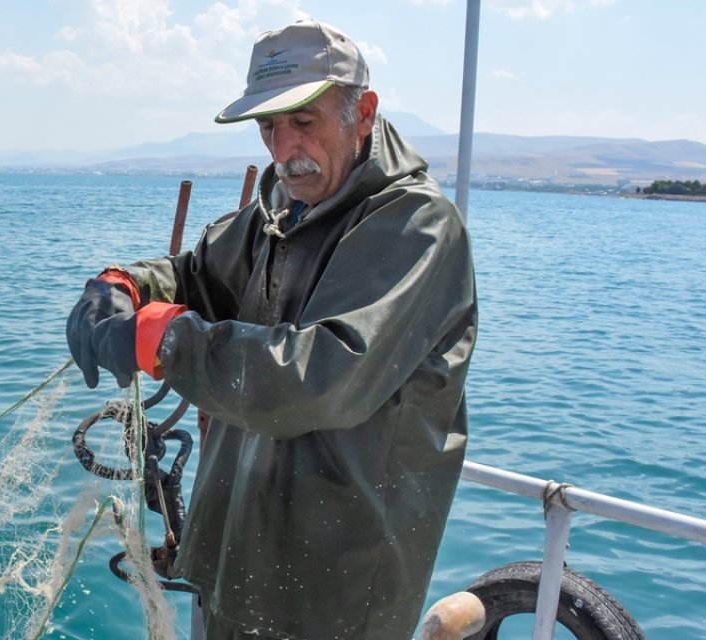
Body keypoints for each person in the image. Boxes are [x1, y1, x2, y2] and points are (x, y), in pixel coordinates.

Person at [66, 18, 478, 640]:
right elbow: (195, 274)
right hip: (238, 566)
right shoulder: (283, 210)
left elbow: (319, 375)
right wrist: (124, 284)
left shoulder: (418, 227)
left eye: (303, 123)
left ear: (361, 112)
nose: (284, 149)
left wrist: (163, 340)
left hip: (333, 599)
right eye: (268, 127)